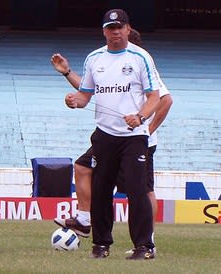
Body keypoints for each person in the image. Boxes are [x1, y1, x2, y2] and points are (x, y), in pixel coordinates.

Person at [51, 29, 173, 255]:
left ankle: (147, 242)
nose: (115, 36)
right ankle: (95, 234)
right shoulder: (97, 59)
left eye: (120, 32)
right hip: (107, 134)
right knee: (97, 182)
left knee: (141, 190)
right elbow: (88, 92)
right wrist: (72, 90)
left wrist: (145, 123)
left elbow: (164, 98)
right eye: (111, 30)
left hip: (137, 136)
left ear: (128, 37)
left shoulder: (141, 60)